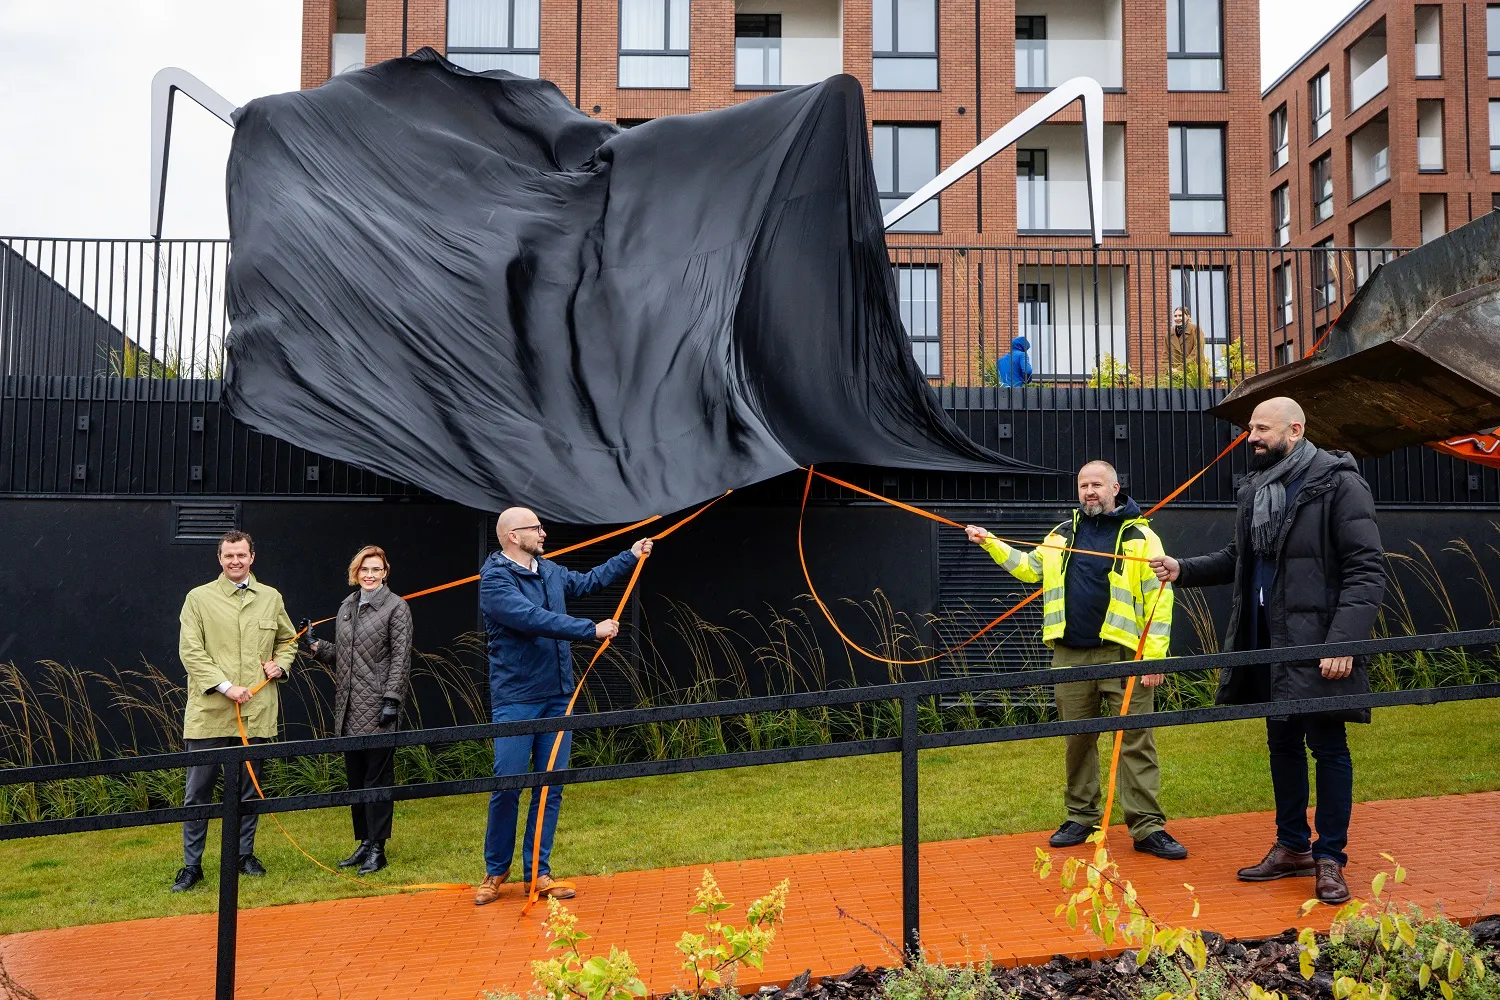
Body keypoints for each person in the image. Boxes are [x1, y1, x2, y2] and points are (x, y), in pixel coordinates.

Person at [1150, 397, 1384, 905]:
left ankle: (1330, 859)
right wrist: (1182, 569)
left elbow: (1367, 570)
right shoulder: (1259, 488)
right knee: (1281, 746)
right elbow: (1241, 557)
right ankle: (1293, 848)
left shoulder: (1340, 483)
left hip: (1321, 645)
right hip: (1267, 642)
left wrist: (1343, 642)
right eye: (1250, 428)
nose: (1250, 437)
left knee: (1327, 747)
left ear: (1295, 430)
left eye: (1260, 429)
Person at [965, 461, 1186, 860]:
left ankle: (1147, 827)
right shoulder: (1062, 534)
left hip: (1124, 657)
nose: (1089, 491)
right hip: (1069, 655)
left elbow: (1160, 599)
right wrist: (991, 542)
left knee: (1135, 740)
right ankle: (1081, 818)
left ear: (1116, 488)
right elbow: (1031, 569)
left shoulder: (1139, 537)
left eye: (1097, 484)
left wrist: (1153, 659)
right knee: (1078, 740)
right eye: (1083, 485)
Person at [473, 507, 653, 906]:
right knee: (508, 784)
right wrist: (590, 629)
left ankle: (538, 873)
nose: (543, 531)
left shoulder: (550, 571)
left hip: (559, 695)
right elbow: (531, 618)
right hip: (516, 699)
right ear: (512, 537)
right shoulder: (496, 580)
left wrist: (630, 554)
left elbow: (588, 582)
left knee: (549, 785)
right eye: (536, 527)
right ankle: (495, 870)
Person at [171, 530, 297, 892]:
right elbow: (190, 651)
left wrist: (281, 665)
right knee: (198, 793)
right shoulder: (198, 599)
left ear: (252, 557)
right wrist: (226, 686)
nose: (236, 562)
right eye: (229, 556)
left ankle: (244, 855)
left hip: (255, 712)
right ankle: (192, 866)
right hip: (210, 713)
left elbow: (288, 640)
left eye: (242, 555)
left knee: (249, 790)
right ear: (220, 559)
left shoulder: (271, 598)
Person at [305, 545, 413, 876]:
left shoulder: (397, 608)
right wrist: (318, 647)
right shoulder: (348, 606)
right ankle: (364, 843)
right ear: (356, 572)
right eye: (365, 569)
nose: (370, 574)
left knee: (376, 779)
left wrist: (392, 700)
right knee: (356, 781)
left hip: (379, 707)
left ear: (385, 572)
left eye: (376, 569)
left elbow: (401, 657)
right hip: (349, 708)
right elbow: (348, 656)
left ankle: (378, 849)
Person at [1166, 307, 1210, 385]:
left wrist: (1179, 369)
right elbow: (1165, 354)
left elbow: (1197, 352)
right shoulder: (1170, 333)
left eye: (1180, 315)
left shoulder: (1195, 330)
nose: (1177, 318)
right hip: (1174, 376)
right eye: (1175, 316)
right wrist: (1169, 369)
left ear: (1188, 316)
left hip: (1193, 375)